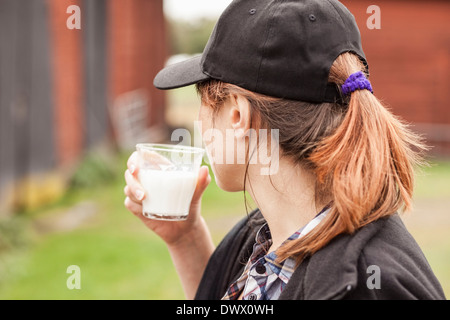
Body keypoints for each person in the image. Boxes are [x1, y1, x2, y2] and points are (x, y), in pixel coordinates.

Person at [123, 0, 446, 300]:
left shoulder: (363, 287)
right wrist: (185, 238)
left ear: (237, 114)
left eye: (203, 103)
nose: (199, 120)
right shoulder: (265, 234)